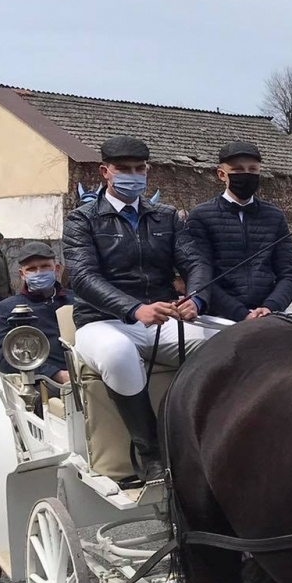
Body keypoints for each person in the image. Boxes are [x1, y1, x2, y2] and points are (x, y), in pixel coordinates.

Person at [64, 134, 215, 484]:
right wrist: (134, 309)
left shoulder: (165, 217)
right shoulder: (81, 220)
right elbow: (83, 277)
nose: (133, 175)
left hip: (161, 319)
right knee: (118, 354)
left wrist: (196, 298)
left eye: (139, 168)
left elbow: (195, 261)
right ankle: (150, 453)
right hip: (102, 322)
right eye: (124, 169)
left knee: (219, 344)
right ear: (106, 171)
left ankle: (207, 438)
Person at [187, 140, 292, 321]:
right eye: (238, 170)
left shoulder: (274, 216)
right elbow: (201, 275)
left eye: (252, 170)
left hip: (269, 313)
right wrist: (240, 314)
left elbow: (290, 273)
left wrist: (270, 306)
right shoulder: (201, 216)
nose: (246, 175)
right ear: (221, 174)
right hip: (219, 316)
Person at [0, 241, 71, 384]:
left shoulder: (77, 301)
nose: (39, 273)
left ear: (56, 268)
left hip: (86, 375)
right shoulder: (7, 309)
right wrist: (54, 373)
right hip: (41, 382)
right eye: (32, 269)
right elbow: (4, 359)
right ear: (22, 274)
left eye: (45, 266)